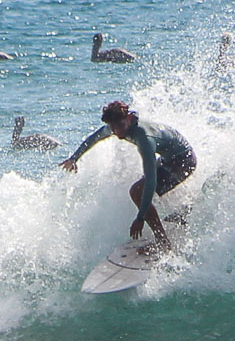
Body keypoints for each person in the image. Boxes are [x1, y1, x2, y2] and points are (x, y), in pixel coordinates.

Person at [59, 101, 195, 247]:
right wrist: (74, 158)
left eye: (120, 127)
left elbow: (151, 182)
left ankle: (163, 243)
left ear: (129, 118)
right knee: (146, 189)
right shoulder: (117, 125)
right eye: (113, 128)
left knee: (138, 191)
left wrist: (140, 218)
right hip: (168, 157)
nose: (117, 132)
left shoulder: (145, 139)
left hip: (183, 161)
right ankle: (182, 213)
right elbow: (95, 138)